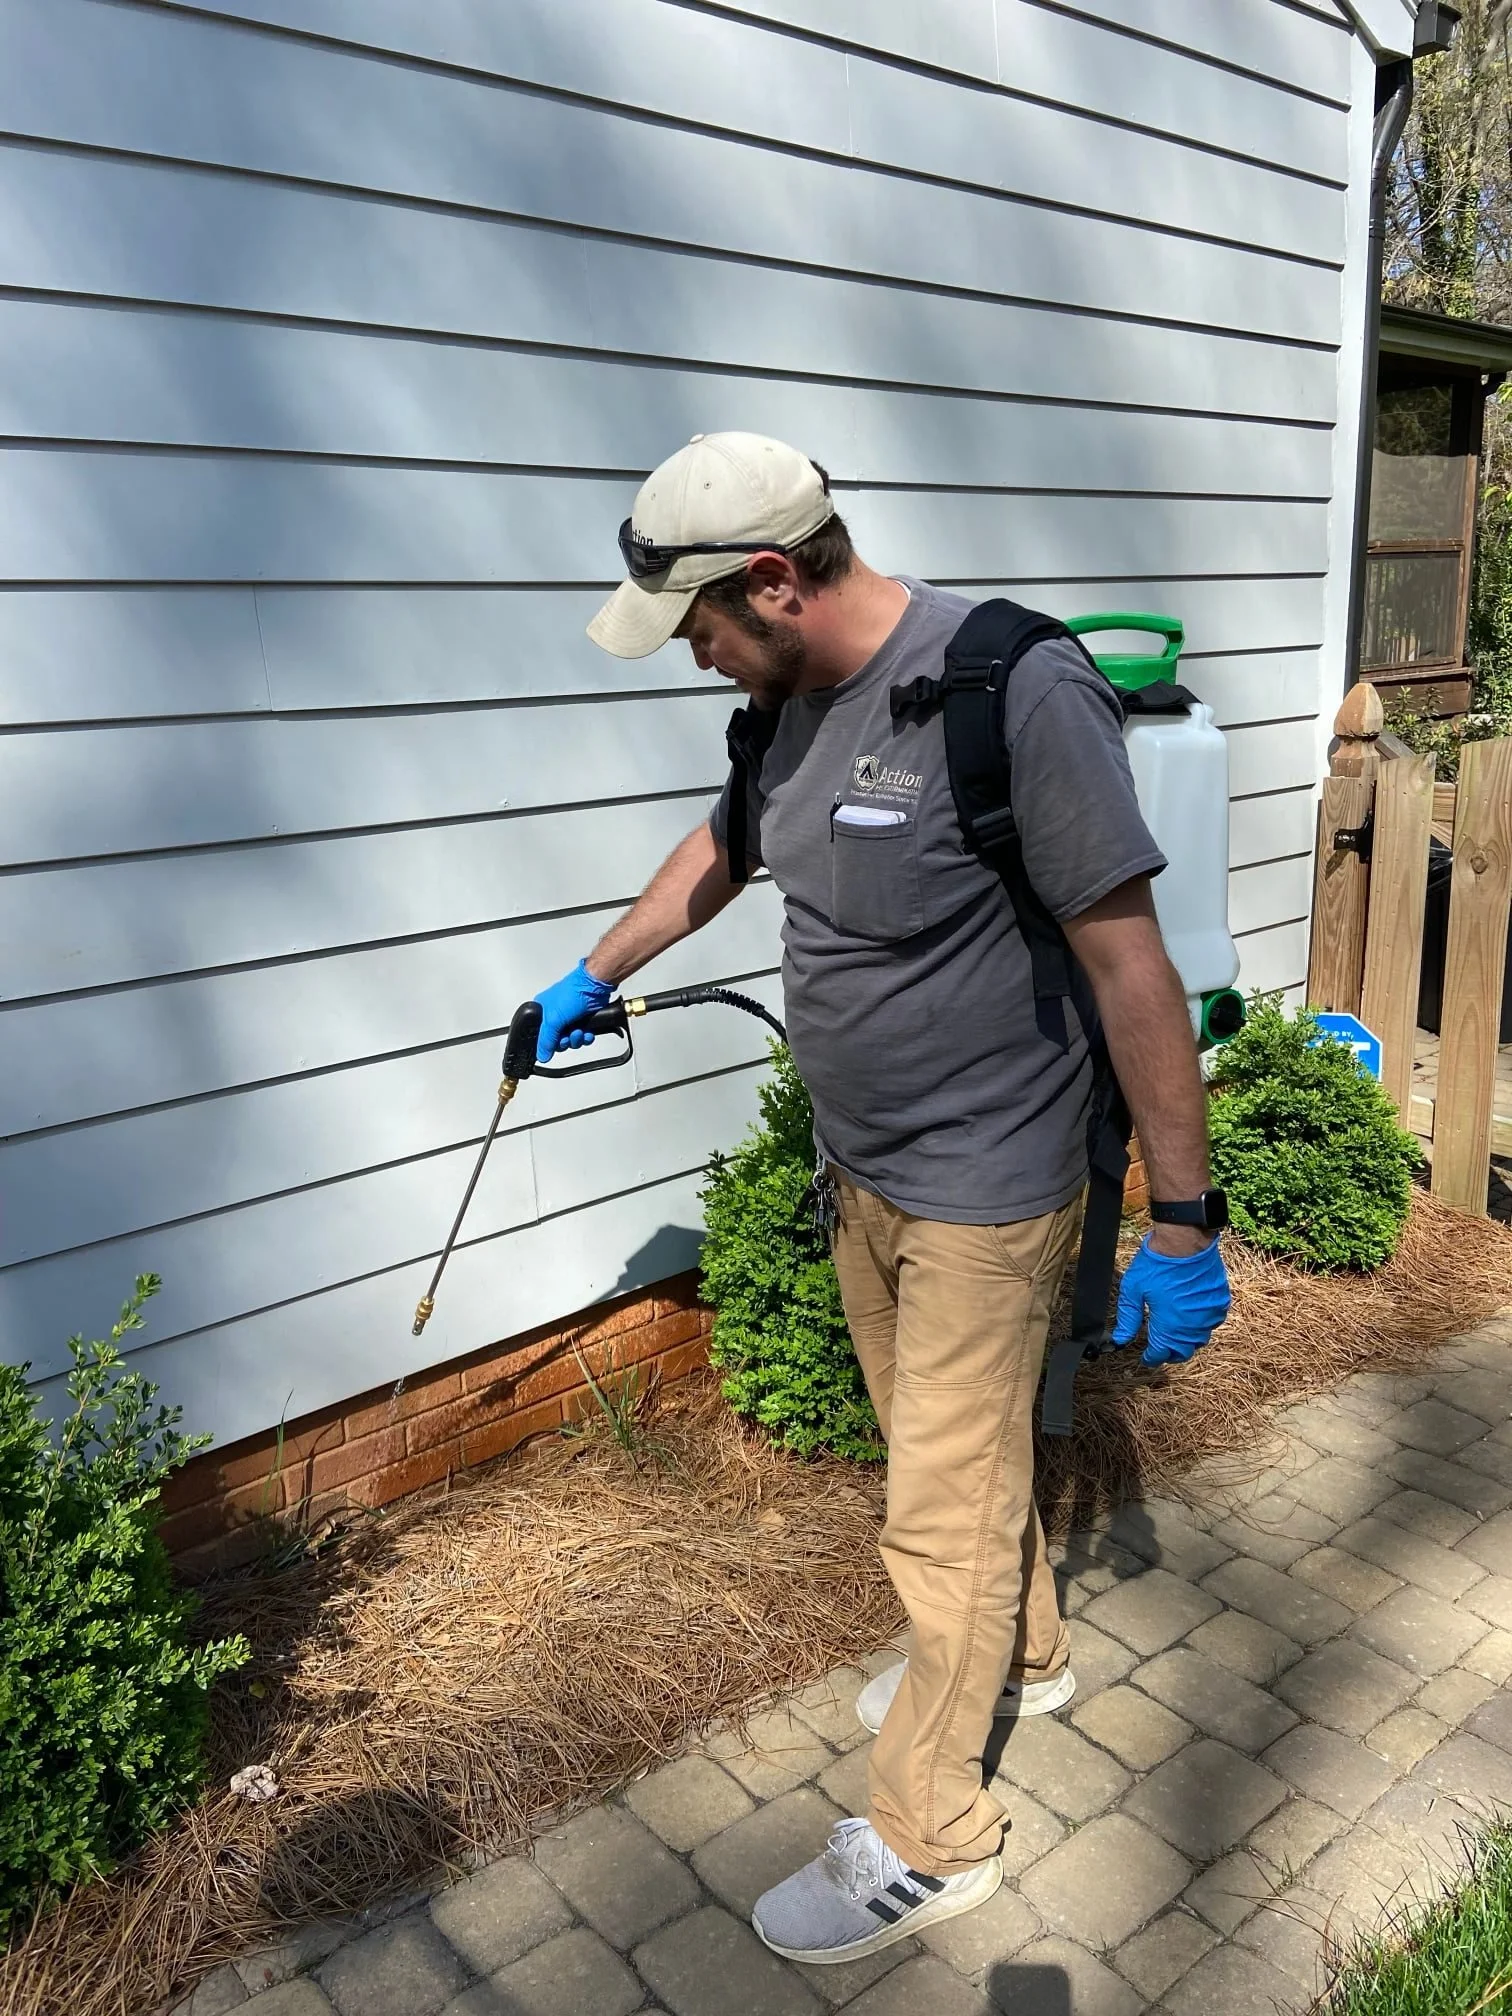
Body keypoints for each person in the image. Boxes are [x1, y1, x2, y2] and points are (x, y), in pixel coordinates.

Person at [531, 432, 1231, 1966]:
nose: (696, 659)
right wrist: (596, 971)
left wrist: (1183, 1217)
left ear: (773, 582)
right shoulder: (781, 714)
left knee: (937, 1517)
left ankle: (931, 1836)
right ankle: (1026, 1656)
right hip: (865, 1176)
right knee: (945, 1471)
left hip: (993, 1188)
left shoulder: (1007, 693)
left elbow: (1134, 969)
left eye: (702, 626)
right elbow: (725, 851)